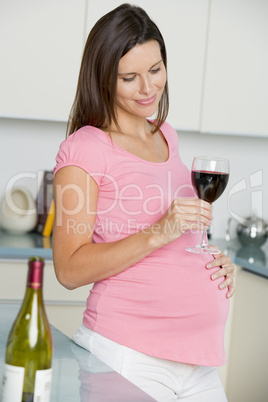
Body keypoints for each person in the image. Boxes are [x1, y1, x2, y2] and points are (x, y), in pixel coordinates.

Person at [53, 4, 235, 401]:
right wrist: (160, 232)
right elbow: (68, 269)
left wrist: (210, 260)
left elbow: (177, 235)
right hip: (129, 355)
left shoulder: (165, 134)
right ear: (103, 79)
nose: (148, 88)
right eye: (129, 78)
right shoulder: (86, 148)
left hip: (198, 364)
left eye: (155, 70)